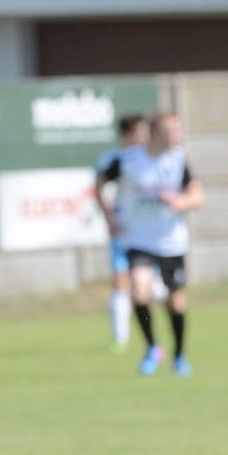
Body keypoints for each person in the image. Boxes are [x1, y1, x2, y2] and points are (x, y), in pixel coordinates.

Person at [97, 112, 205, 376]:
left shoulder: (178, 159)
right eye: (173, 131)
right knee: (139, 292)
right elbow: (99, 184)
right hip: (138, 239)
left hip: (171, 242)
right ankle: (152, 347)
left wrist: (180, 202)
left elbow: (198, 195)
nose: (178, 136)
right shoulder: (128, 160)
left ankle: (179, 355)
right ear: (158, 134)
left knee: (175, 303)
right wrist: (109, 217)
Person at [96, 113, 148, 353]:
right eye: (138, 133)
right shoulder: (113, 160)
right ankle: (120, 338)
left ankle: (153, 340)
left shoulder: (152, 158)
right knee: (120, 280)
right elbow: (99, 188)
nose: (143, 138)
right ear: (125, 135)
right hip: (124, 230)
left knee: (150, 286)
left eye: (145, 133)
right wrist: (110, 218)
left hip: (149, 233)